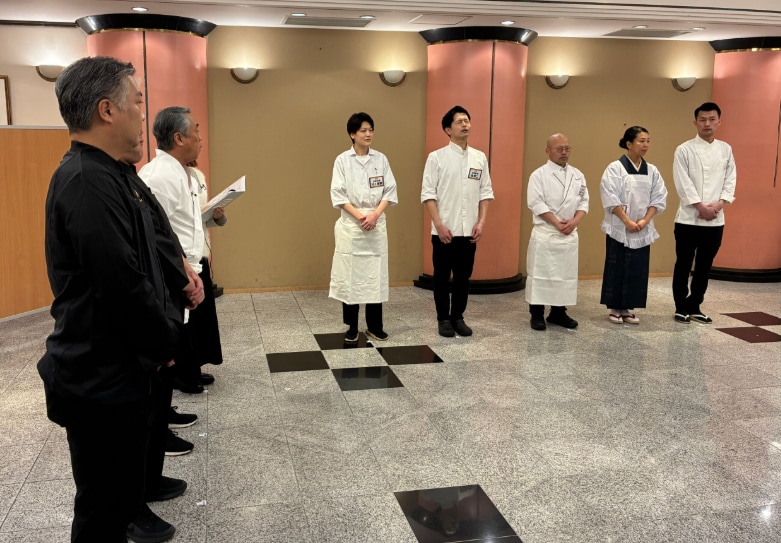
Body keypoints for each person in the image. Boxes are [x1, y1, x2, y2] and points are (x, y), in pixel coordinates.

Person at [37, 56, 180, 543]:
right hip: (98, 376)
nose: (142, 114)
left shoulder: (111, 173)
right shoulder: (86, 181)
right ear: (106, 110)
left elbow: (143, 258)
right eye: (137, 102)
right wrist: (164, 341)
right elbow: (121, 284)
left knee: (116, 502)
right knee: (102, 511)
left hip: (117, 369)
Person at [140, 106, 209, 394]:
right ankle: (164, 409)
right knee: (166, 342)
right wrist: (182, 268)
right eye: (196, 131)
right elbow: (157, 235)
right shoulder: (160, 175)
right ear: (179, 138)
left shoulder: (183, 171)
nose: (200, 138)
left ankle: (170, 401)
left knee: (179, 333)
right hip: (169, 269)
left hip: (184, 265)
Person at [421, 105, 494, 338]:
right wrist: (439, 225)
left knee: (463, 278)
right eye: (459, 121)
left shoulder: (479, 158)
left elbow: (485, 193)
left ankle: (458, 317)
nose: (465, 125)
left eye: (467, 121)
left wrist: (481, 223)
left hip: (469, 231)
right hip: (444, 231)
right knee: (442, 278)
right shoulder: (436, 158)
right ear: (447, 129)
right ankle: (443, 318)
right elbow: (428, 195)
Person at [329, 112, 398, 342]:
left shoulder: (381, 159)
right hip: (352, 226)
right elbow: (338, 195)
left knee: (375, 276)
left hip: (375, 225)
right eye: (363, 130)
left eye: (371, 130)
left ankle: (375, 326)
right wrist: (361, 217)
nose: (368, 134)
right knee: (350, 276)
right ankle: (352, 326)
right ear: (352, 134)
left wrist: (375, 215)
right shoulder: (342, 160)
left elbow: (389, 191)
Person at [672, 102, 737, 324]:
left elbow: (730, 179)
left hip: (715, 220)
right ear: (695, 122)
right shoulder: (684, 149)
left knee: (704, 265)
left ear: (719, 121)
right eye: (702, 120)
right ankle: (681, 306)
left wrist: (719, 205)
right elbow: (682, 183)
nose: (707, 123)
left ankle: (695, 305)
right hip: (688, 219)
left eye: (712, 119)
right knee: (683, 263)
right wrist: (700, 207)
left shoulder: (726, 149)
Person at [599, 126, 668, 324]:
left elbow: (659, 196)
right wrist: (627, 221)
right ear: (629, 144)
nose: (645, 145)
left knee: (637, 267)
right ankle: (615, 307)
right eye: (641, 141)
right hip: (620, 226)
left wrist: (645, 220)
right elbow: (610, 196)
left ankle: (628, 307)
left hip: (642, 226)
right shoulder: (615, 168)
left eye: (648, 141)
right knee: (617, 265)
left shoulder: (652, 170)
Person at [525, 133, 588, 331]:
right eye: (559, 149)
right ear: (548, 151)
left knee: (565, 275)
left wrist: (575, 221)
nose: (564, 152)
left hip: (569, 233)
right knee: (540, 275)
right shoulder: (538, 175)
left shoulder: (578, 175)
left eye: (567, 148)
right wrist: (556, 223)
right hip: (546, 233)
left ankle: (558, 312)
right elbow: (536, 203)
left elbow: (584, 201)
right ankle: (536, 314)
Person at [187, 160, 225, 374]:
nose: (199, 145)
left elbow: (203, 218)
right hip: (184, 255)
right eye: (196, 142)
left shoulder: (198, 175)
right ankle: (186, 370)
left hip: (200, 251)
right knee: (189, 316)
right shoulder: (165, 175)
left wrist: (217, 216)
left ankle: (197, 365)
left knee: (203, 315)